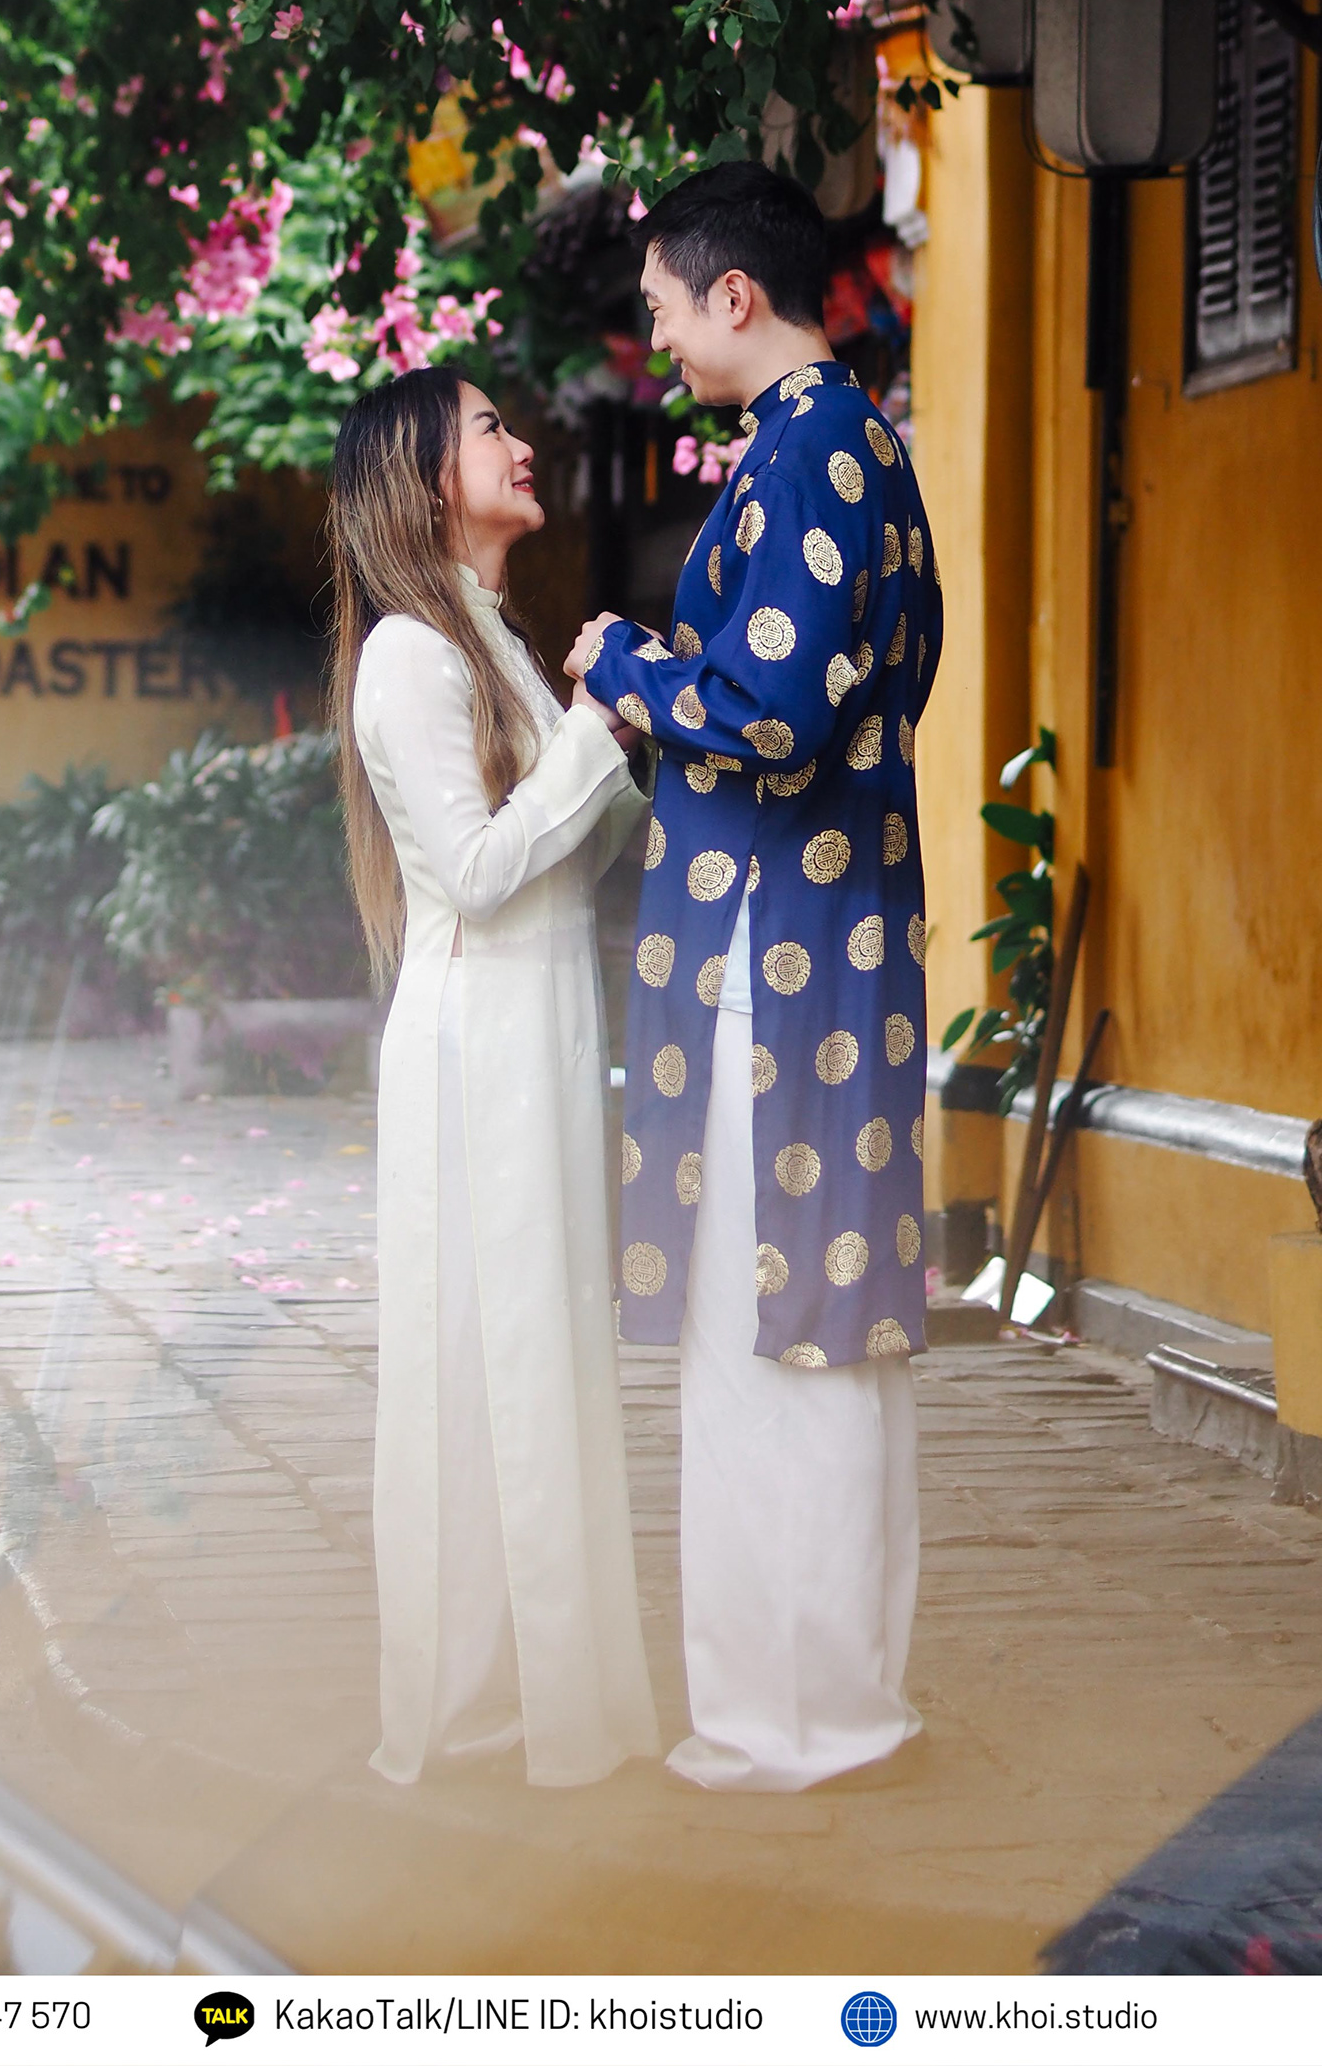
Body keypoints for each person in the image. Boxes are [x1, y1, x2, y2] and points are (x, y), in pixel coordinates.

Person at [566, 160, 942, 1793]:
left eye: (660, 304)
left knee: (770, 1334)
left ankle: (797, 1724)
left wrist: (627, 663)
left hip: (773, 964)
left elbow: (771, 714)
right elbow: (864, 684)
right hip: (826, 946)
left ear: (735, 296)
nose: (654, 335)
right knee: (818, 1329)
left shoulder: (805, 453)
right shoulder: (855, 446)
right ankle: (824, 1707)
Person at [329, 366, 659, 1788]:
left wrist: (609, 717)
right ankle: (467, 1709)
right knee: (480, 1368)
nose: (524, 446)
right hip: (480, 1048)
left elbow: (584, 840)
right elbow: (472, 872)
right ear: (420, 475)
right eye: (488, 430)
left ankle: (542, 1701)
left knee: (538, 1362)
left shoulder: (492, 640)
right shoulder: (411, 651)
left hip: (539, 1032)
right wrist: (597, 737)